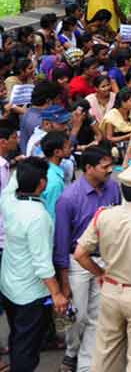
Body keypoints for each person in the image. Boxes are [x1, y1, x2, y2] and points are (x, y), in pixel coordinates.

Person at [73, 161, 131, 372]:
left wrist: (102, 273)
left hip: (110, 290)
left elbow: (80, 254)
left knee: (106, 352)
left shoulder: (103, 215)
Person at [54, 146, 122, 372]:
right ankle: (71, 351)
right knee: (78, 315)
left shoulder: (113, 189)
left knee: (98, 315)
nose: (110, 170)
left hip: (106, 259)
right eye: (105, 167)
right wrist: (64, 283)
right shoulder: (68, 198)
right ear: (89, 168)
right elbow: (62, 242)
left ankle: (85, 363)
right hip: (77, 263)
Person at [1, 157, 70, 372]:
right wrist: (57, 293)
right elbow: (42, 264)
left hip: (10, 285)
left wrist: (26, 165)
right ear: (42, 184)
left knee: (17, 337)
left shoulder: (9, 201)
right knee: (27, 348)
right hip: (30, 293)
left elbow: (13, 183)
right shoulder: (38, 216)